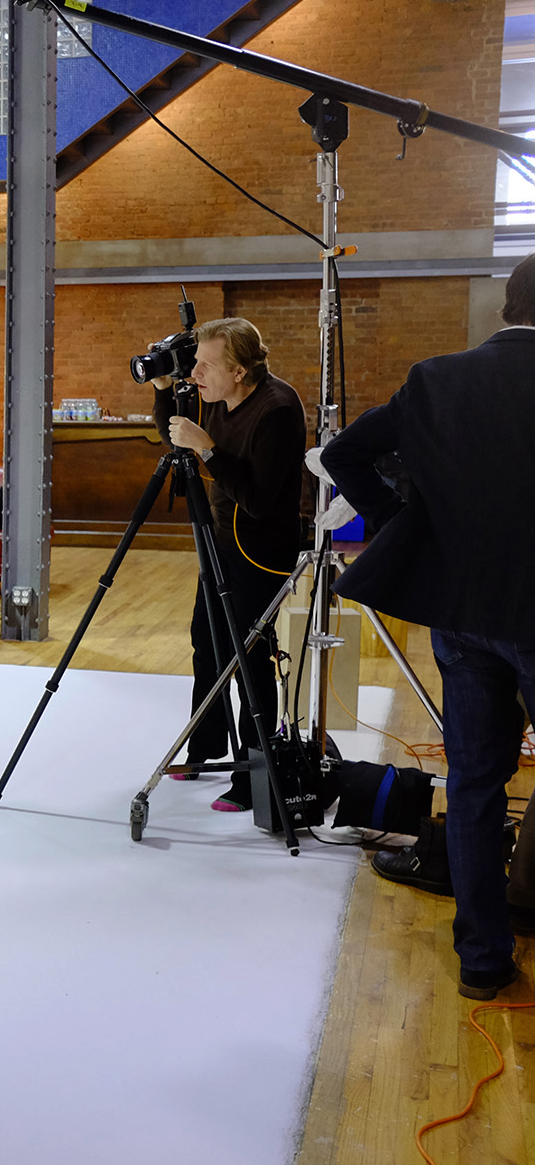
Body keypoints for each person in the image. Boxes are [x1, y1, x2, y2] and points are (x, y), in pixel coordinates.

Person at [321, 254, 535, 1001]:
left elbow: (344, 453)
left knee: (473, 784)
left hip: (462, 614)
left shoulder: (437, 380)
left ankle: (483, 959)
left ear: (506, 307)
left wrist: (399, 522)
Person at [150, 317, 307, 811]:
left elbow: (258, 500)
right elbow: (175, 437)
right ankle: (204, 748)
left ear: (239, 371)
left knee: (249, 657)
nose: (194, 373)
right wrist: (162, 390)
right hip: (221, 540)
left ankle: (255, 776)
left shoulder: (277, 409)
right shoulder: (214, 396)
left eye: (206, 365)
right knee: (208, 643)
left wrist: (208, 449)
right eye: (195, 363)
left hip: (262, 550)